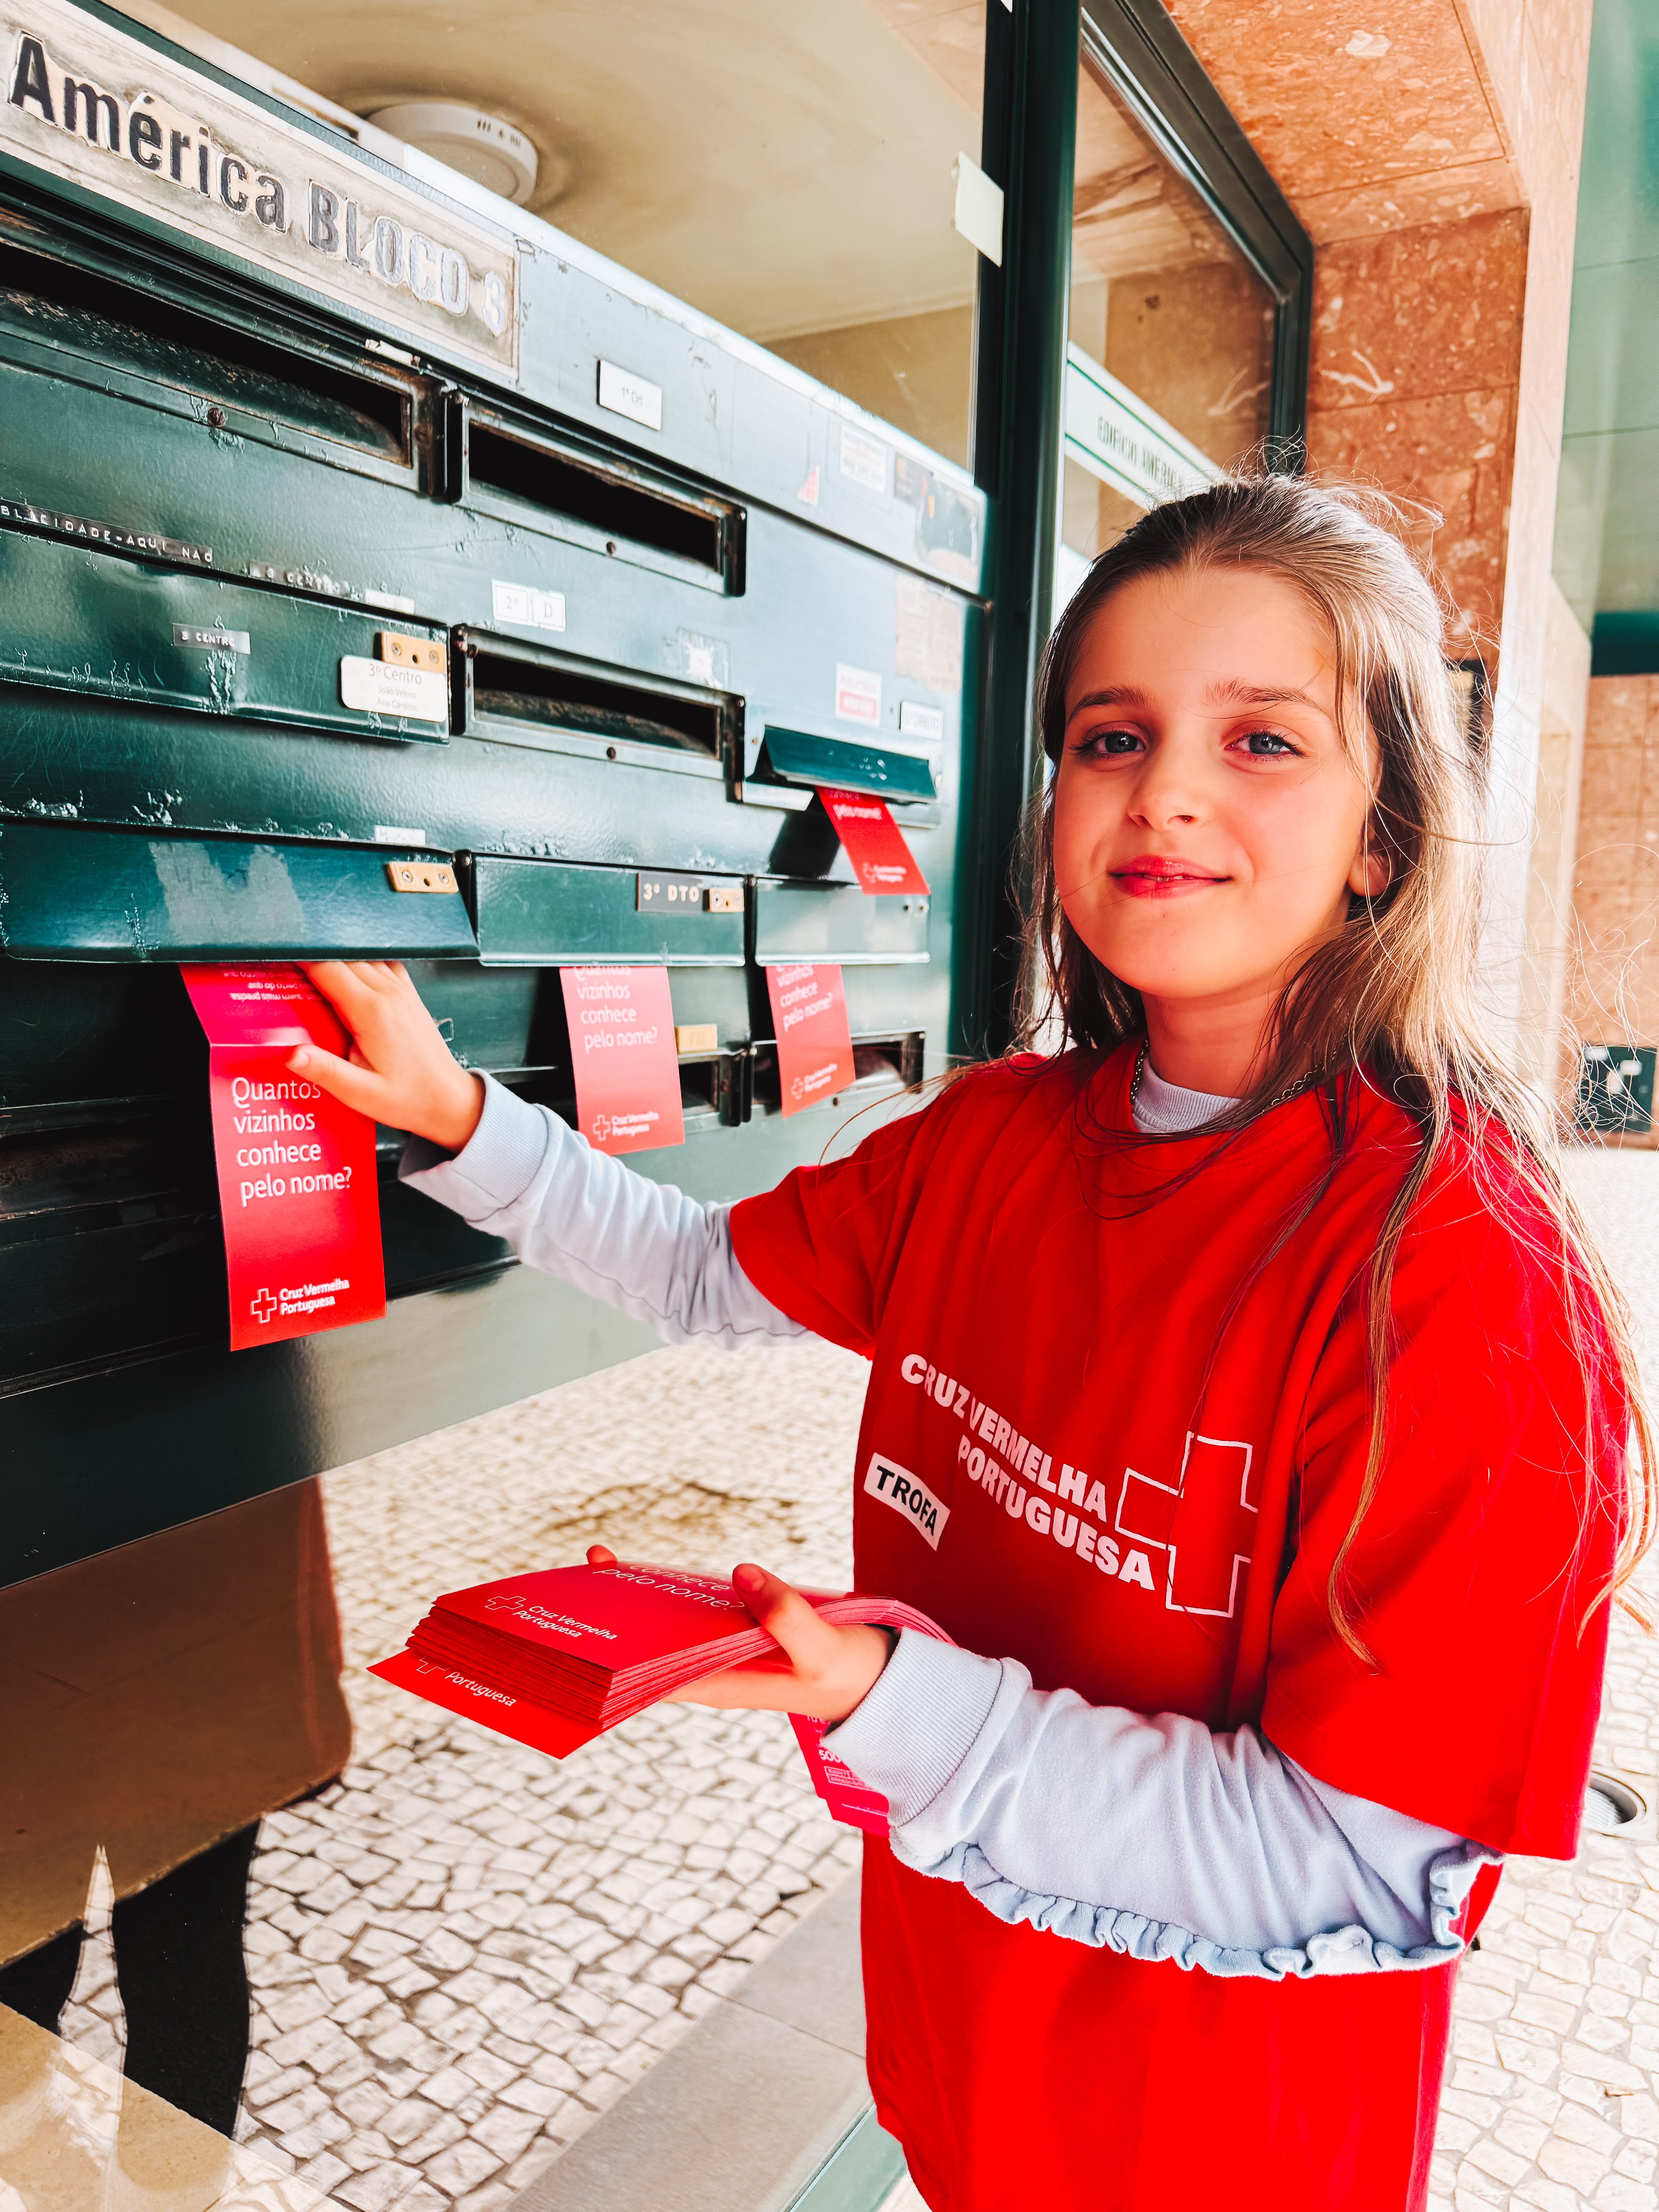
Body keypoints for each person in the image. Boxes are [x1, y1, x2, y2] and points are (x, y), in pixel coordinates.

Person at [288, 476, 1650, 2212]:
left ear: (1384, 834)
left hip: (1215, 2152)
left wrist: (895, 1704)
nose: (1164, 792)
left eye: (1262, 741)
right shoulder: (991, 1138)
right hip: (963, 2060)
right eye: (1111, 736)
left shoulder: (1463, 1282)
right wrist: (461, 1120)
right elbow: (703, 1273)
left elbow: (1353, 1869)